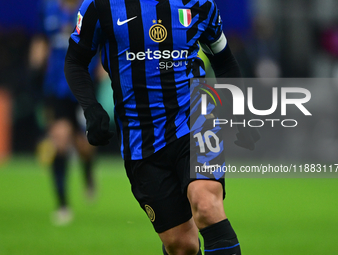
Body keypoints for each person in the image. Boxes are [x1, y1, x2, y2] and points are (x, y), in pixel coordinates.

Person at [64, 0, 260, 253]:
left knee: (206, 204)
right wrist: (91, 107)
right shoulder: (100, 6)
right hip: (141, 138)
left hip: (196, 120)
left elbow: (224, 61)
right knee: (182, 245)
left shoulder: (200, 4)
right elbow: (75, 61)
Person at [29, 0, 97, 225]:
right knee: (59, 140)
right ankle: (62, 205)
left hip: (83, 87)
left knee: (84, 146)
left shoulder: (91, 8)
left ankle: (88, 175)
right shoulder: (48, 9)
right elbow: (41, 41)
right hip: (56, 88)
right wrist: (36, 61)